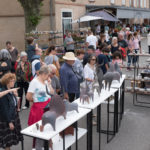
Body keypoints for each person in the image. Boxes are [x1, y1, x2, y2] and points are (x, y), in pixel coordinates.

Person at [0, 73, 23, 150]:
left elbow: (14, 104)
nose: (14, 82)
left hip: (13, 116)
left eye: (14, 81)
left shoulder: (11, 91)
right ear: (7, 82)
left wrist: (15, 96)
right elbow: (4, 109)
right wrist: (9, 122)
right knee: (7, 142)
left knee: (10, 141)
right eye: (12, 81)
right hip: (7, 119)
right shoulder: (4, 93)